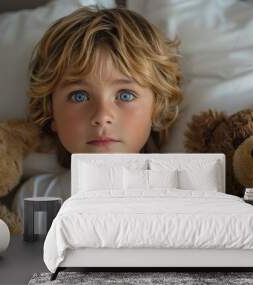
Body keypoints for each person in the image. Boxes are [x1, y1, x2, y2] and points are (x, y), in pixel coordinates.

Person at [13, 6, 183, 231]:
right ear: (50, 110)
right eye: (79, 96)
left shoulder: (178, 195)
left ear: (157, 107)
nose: (102, 116)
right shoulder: (37, 198)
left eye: (125, 95)